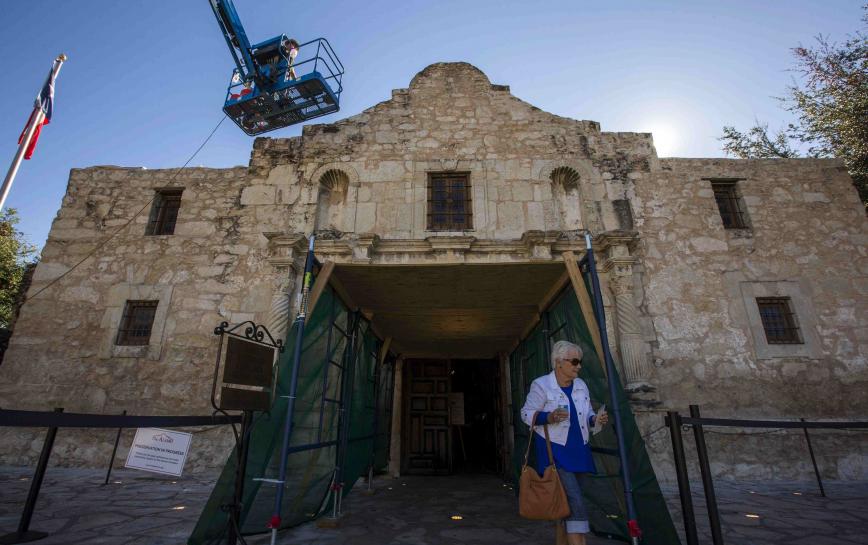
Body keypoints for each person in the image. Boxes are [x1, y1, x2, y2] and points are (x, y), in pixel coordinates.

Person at [521, 340, 609, 545]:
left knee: (566, 506)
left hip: (580, 451)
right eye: (575, 361)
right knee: (576, 504)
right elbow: (526, 413)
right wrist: (549, 417)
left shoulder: (581, 385)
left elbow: (586, 413)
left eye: (580, 362)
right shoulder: (541, 384)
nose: (579, 366)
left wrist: (595, 419)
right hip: (556, 453)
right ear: (559, 362)